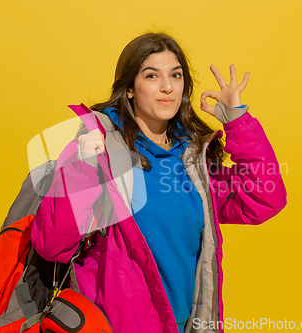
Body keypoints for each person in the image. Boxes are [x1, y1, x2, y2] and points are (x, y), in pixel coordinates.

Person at [29, 32, 287, 333]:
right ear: (129, 89)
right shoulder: (98, 148)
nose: (167, 87)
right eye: (152, 75)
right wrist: (83, 167)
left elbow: (262, 199)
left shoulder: (192, 159)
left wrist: (236, 120)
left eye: (175, 76)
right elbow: (51, 244)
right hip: (116, 325)